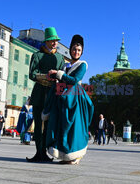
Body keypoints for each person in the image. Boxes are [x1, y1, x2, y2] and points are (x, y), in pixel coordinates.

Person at [42, 34, 94, 165]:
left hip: (75, 98)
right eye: (74, 49)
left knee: (74, 127)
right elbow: (62, 80)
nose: (76, 52)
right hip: (62, 97)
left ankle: (74, 156)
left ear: (82, 52)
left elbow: (74, 80)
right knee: (62, 126)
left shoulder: (83, 64)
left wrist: (59, 74)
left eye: (79, 50)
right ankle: (65, 156)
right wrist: (54, 77)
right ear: (70, 49)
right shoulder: (65, 65)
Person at [27, 27, 65, 162]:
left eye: (56, 40)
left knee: (49, 125)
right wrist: (44, 77)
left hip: (52, 94)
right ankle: (39, 152)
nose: (54, 42)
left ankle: (46, 152)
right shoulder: (37, 55)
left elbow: (63, 76)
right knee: (38, 124)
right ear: (46, 41)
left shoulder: (60, 58)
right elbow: (32, 74)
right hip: (39, 93)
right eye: (51, 40)